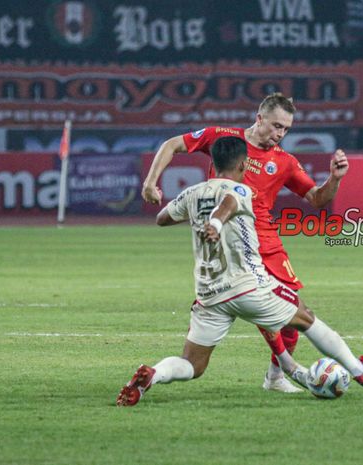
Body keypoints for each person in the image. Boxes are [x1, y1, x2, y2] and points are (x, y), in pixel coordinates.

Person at [116, 137, 363, 406]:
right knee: (306, 318)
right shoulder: (242, 191)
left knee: (192, 365)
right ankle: (360, 370)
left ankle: (154, 374)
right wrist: (217, 223)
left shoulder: (192, 193)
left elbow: (162, 218)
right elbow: (228, 204)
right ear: (244, 165)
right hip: (248, 285)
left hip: (210, 294)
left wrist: (197, 211)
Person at [141, 93, 349, 393]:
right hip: (228, 244)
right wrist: (150, 182)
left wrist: (335, 179)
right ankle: (312, 369)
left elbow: (317, 198)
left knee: (292, 315)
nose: (280, 134)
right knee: (281, 310)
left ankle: (276, 376)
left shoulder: (284, 161)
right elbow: (172, 144)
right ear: (259, 117)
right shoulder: (224, 140)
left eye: (286, 129)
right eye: (276, 125)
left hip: (265, 241)